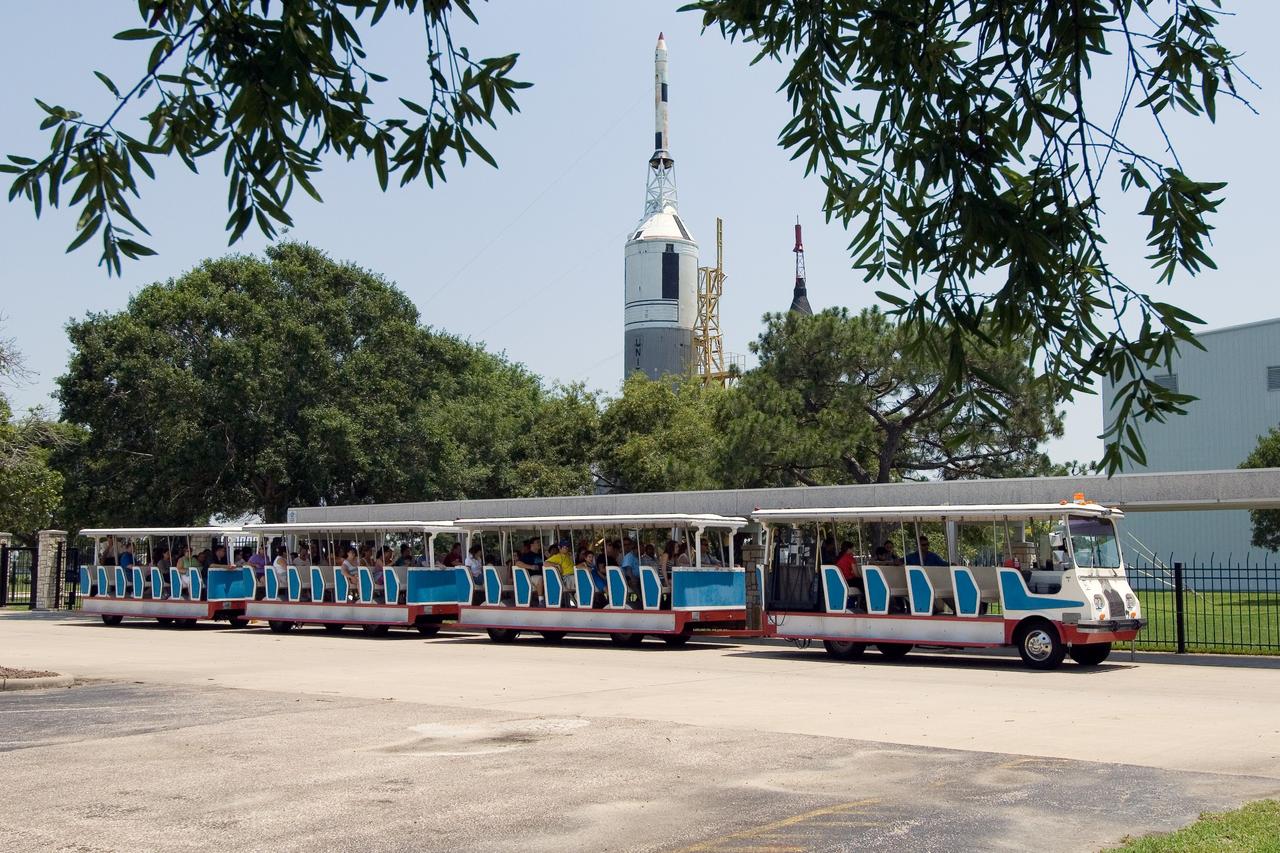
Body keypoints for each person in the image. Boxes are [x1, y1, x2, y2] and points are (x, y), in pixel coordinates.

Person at [514, 538, 545, 602]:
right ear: (532, 545)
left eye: (540, 542)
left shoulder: (542, 555)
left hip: (543, 575)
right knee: (540, 578)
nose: (539, 544)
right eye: (537, 542)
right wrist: (530, 567)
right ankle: (541, 601)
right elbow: (518, 563)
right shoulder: (527, 555)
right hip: (532, 576)